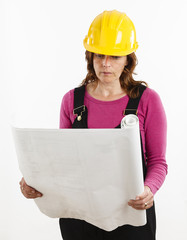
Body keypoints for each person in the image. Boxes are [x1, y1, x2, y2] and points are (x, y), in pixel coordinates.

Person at [19, 10, 167, 240]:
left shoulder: (147, 100)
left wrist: (149, 190)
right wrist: (34, 182)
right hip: (79, 219)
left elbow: (158, 161)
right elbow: (62, 162)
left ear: (128, 58)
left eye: (114, 57)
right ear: (90, 56)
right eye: (99, 55)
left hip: (131, 215)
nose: (106, 64)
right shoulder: (71, 101)